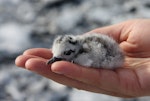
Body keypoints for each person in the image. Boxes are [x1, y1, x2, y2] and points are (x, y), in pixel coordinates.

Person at [15, 19, 150, 98]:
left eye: (65, 54)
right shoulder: (79, 47)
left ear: (73, 50)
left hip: (111, 58)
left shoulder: (83, 55)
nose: (55, 59)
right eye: (55, 55)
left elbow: (92, 58)